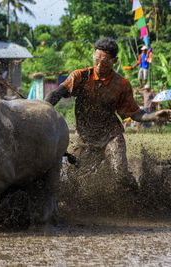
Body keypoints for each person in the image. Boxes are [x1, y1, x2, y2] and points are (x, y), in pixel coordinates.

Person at [44, 37, 171, 189]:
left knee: (121, 175)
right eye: (96, 60)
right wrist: (43, 111)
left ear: (114, 61)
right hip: (84, 138)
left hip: (110, 136)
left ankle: (138, 194)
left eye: (104, 62)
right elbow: (55, 94)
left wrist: (154, 116)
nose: (98, 65)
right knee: (70, 177)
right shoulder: (80, 77)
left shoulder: (122, 85)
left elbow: (135, 113)